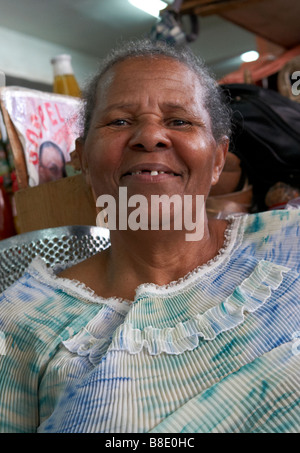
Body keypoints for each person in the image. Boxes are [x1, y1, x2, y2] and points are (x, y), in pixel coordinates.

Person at [0, 39, 299, 434]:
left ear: (217, 160)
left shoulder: (290, 244)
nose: (150, 137)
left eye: (180, 121)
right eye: (120, 121)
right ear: (83, 160)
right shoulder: (22, 321)